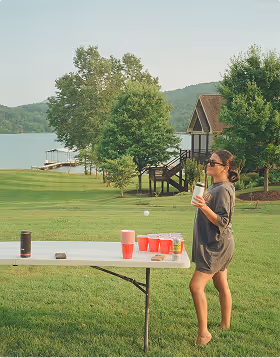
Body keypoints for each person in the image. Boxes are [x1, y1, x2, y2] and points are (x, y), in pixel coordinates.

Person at [190, 150, 239, 345]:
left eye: (213, 162)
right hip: (216, 242)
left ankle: (204, 334)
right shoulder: (216, 186)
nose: (208, 164)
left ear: (225, 168)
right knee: (220, 284)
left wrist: (203, 206)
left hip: (216, 245)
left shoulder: (224, 189)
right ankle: (225, 325)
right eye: (208, 161)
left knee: (196, 286)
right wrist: (202, 202)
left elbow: (224, 221)